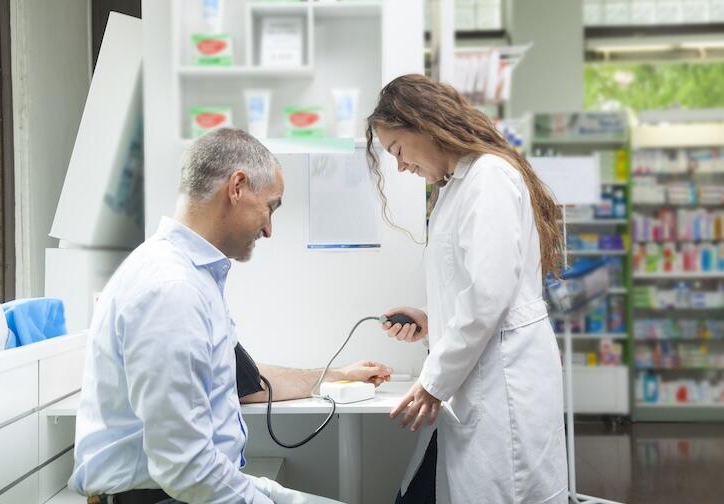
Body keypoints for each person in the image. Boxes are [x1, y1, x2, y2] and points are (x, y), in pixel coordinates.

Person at [69, 128, 392, 504]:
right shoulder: (172, 290)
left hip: (189, 489)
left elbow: (244, 382)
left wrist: (335, 376)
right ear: (237, 187)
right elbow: (184, 468)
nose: (269, 228)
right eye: (271, 206)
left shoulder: (191, 276)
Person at [365, 74, 568, 504]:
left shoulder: (488, 177)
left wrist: (433, 382)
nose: (400, 166)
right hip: (481, 378)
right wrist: (431, 318)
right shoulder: (457, 185)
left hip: (503, 383)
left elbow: (488, 297)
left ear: (424, 123)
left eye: (398, 149)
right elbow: (477, 287)